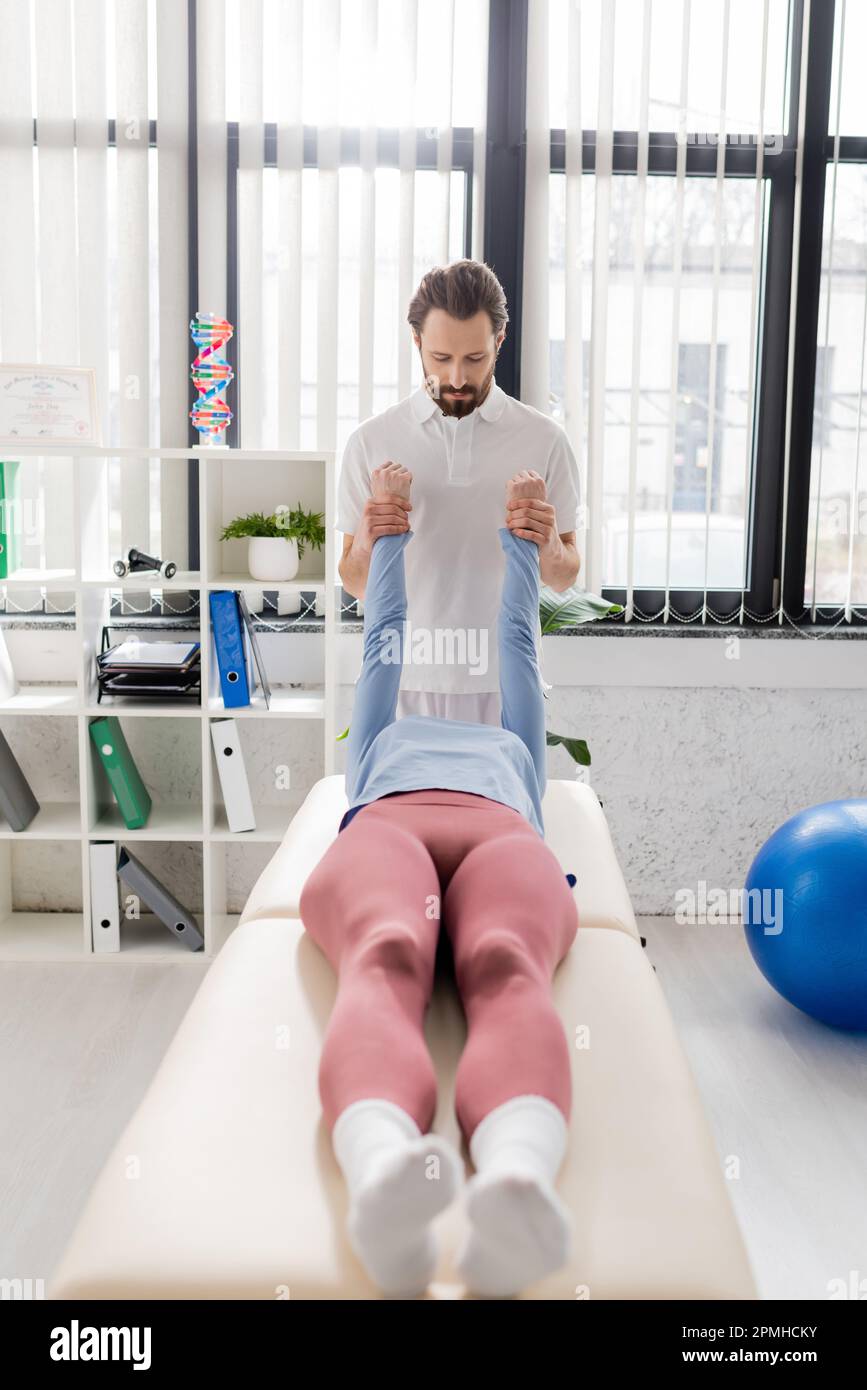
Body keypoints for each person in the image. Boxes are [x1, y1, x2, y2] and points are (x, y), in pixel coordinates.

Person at [299, 462, 580, 1299]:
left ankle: (504, 1181)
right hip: (450, 827)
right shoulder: (482, 750)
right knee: (452, 957)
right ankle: (414, 1172)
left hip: (441, 827)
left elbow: (486, 638)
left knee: (442, 958)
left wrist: (515, 531)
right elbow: (415, 629)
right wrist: (386, 527)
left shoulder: (423, 746)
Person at [337, 258, 582, 727]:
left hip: (503, 685)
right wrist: (369, 536)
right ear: (417, 342)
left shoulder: (545, 440)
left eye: (474, 359)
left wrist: (547, 540)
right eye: (440, 358)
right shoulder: (370, 442)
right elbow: (354, 581)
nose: (455, 379)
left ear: (499, 342)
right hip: (400, 681)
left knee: (509, 802)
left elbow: (564, 576)